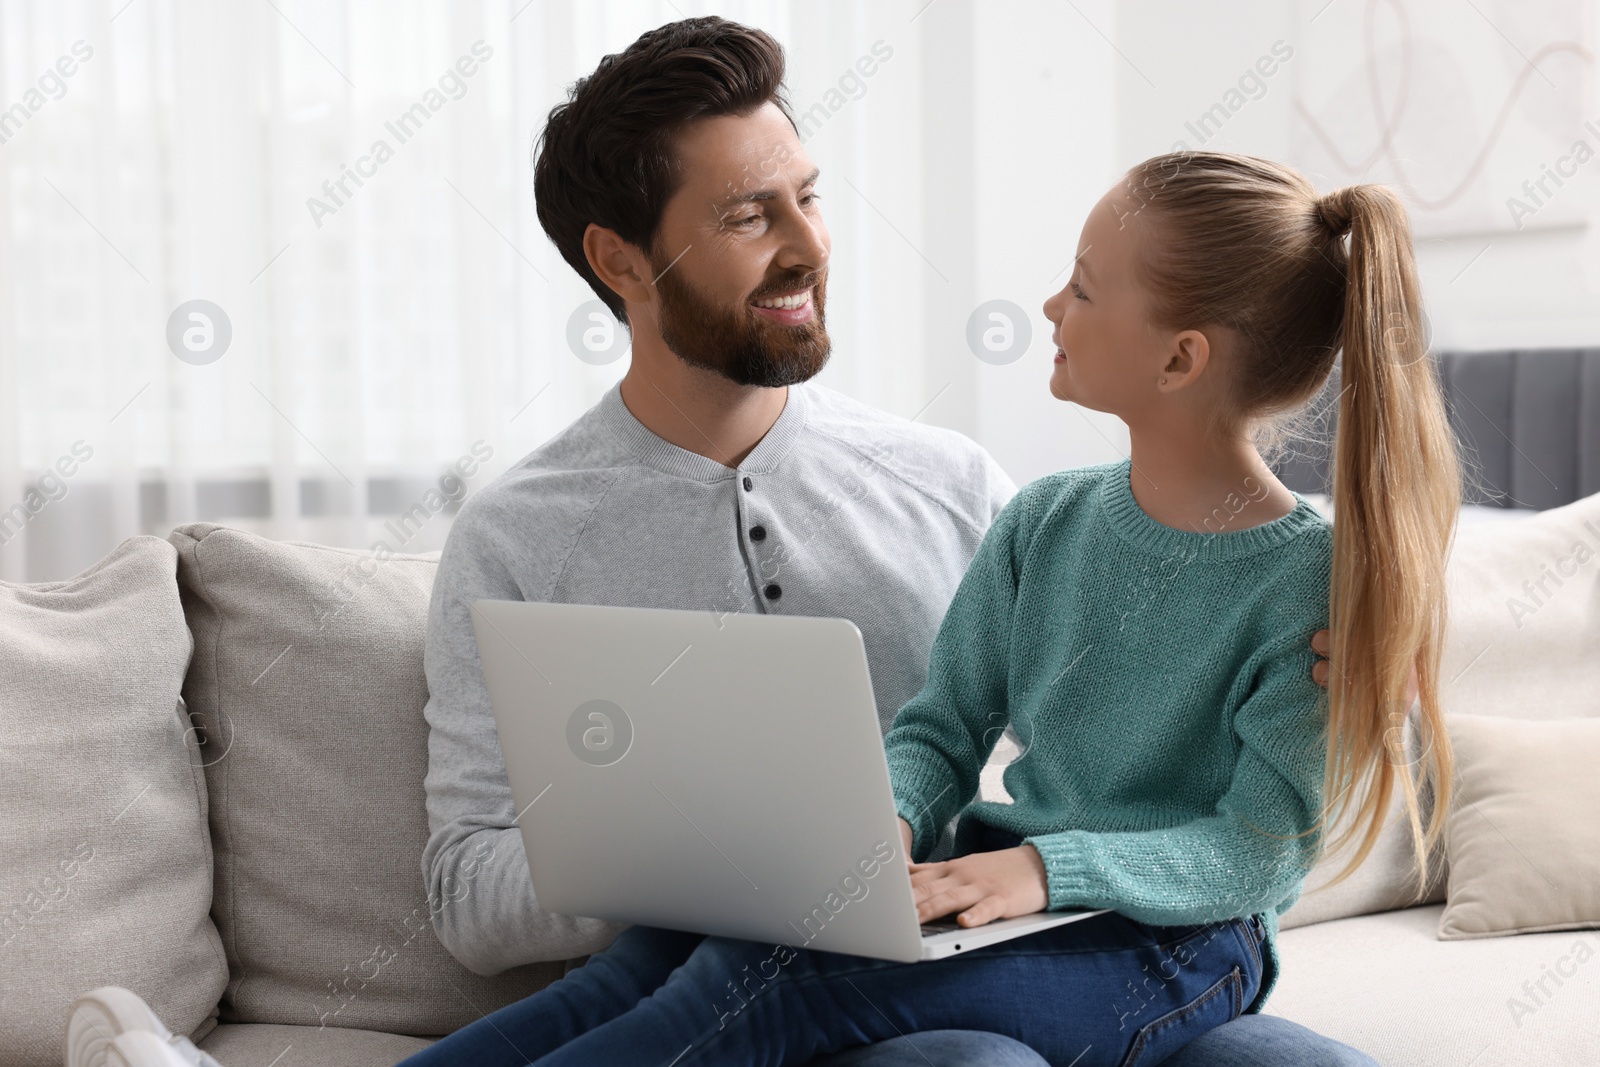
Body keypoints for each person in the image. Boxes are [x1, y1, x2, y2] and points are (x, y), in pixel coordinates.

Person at [62, 21, 1381, 1067]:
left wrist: (949, 855)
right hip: (783, 956)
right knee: (760, 980)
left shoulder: (960, 486)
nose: (811, 244)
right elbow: (470, 897)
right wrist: (733, 855)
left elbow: (1221, 811)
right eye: (751, 216)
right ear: (621, 261)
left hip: (1018, 946)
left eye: (807, 195)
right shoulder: (519, 537)